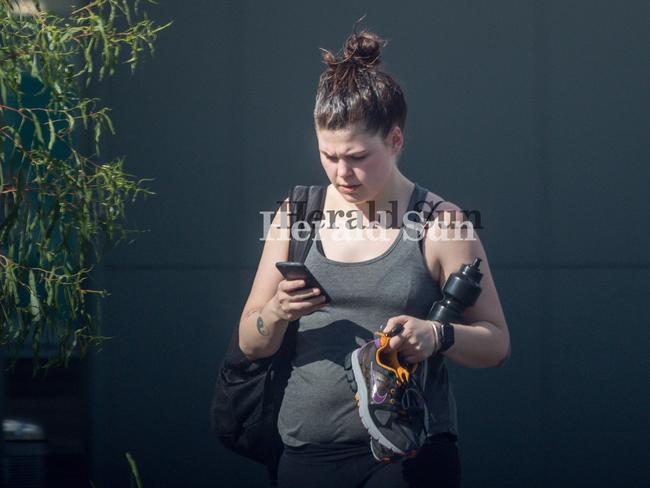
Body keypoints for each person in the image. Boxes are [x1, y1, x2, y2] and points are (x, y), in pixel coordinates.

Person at [238, 23, 510, 488]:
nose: (342, 172)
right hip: (307, 451)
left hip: (408, 453)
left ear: (396, 141)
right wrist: (277, 312)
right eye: (329, 155)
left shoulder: (440, 221)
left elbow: (496, 343)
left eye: (359, 157)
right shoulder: (297, 213)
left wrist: (437, 335)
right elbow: (250, 340)